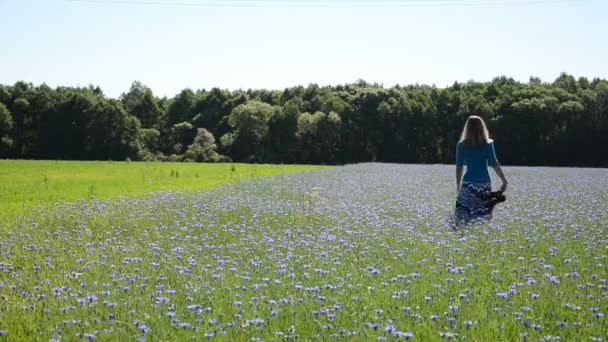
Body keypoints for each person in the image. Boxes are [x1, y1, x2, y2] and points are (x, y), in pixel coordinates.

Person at [455, 115, 508, 224]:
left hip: (468, 184)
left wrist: (458, 183)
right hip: (484, 184)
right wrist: (504, 180)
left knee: (462, 216)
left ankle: (463, 237)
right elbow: (494, 163)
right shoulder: (488, 144)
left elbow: (459, 166)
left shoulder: (461, 145)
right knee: (484, 215)